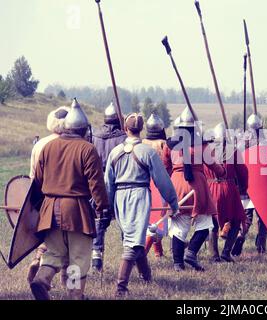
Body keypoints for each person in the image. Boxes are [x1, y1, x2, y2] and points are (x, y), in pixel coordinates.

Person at [31, 98, 109, 300]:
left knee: (53, 254)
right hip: (77, 212)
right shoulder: (87, 149)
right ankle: (74, 294)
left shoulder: (48, 147)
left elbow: (37, 182)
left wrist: (41, 208)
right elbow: (96, 184)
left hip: (50, 212)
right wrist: (103, 208)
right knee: (78, 258)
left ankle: (42, 279)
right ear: (84, 129)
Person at [105, 113, 179, 297]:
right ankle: (120, 288)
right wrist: (172, 201)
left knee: (135, 239)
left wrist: (108, 204)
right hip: (138, 197)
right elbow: (162, 180)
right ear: (141, 129)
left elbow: (108, 182)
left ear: (125, 129)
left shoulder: (115, 152)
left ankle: (146, 277)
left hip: (120, 198)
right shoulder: (147, 152)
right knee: (132, 242)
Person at [163, 107, 225, 272]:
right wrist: (222, 171)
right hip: (197, 186)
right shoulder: (202, 145)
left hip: (177, 185)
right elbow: (213, 165)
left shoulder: (169, 145)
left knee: (179, 226)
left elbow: (165, 167)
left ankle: (178, 264)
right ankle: (190, 253)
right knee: (205, 224)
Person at [27, 106, 70, 284]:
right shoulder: (74, 144)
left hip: (43, 199)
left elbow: (32, 177)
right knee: (70, 243)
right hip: (68, 200)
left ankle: (38, 258)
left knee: (50, 237)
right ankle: (69, 284)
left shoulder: (39, 144)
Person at [204, 123, 248, 262]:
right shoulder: (233, 151)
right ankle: (226, 252)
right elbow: (243, 173)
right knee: (236, 220)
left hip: (210, 188)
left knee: (212, 222)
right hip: (228, 188)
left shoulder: (205, 152)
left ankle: (214, 255)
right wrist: (243, 188)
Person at [91, 102, 126, 272]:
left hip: (98, 183)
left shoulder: (95, 136)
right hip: (118, 182)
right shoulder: (123, 138)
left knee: (99, 218)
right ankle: (129, 254)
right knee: (123, 219)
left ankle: (96, 254)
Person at [231, 113, 267, 255]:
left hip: (244, 186)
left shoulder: (240, 143)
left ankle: (241, 235)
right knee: (263, 216)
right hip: (261, 187)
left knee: (246, 216)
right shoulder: (264, 143)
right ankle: (261, 246)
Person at [142, 113, 171, 258]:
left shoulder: (141, 144)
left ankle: (158, 252)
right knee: (158, 221)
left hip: (145, 184)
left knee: (152, 219)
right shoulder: (164, 145)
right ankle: (143, 254)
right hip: (160, 184)